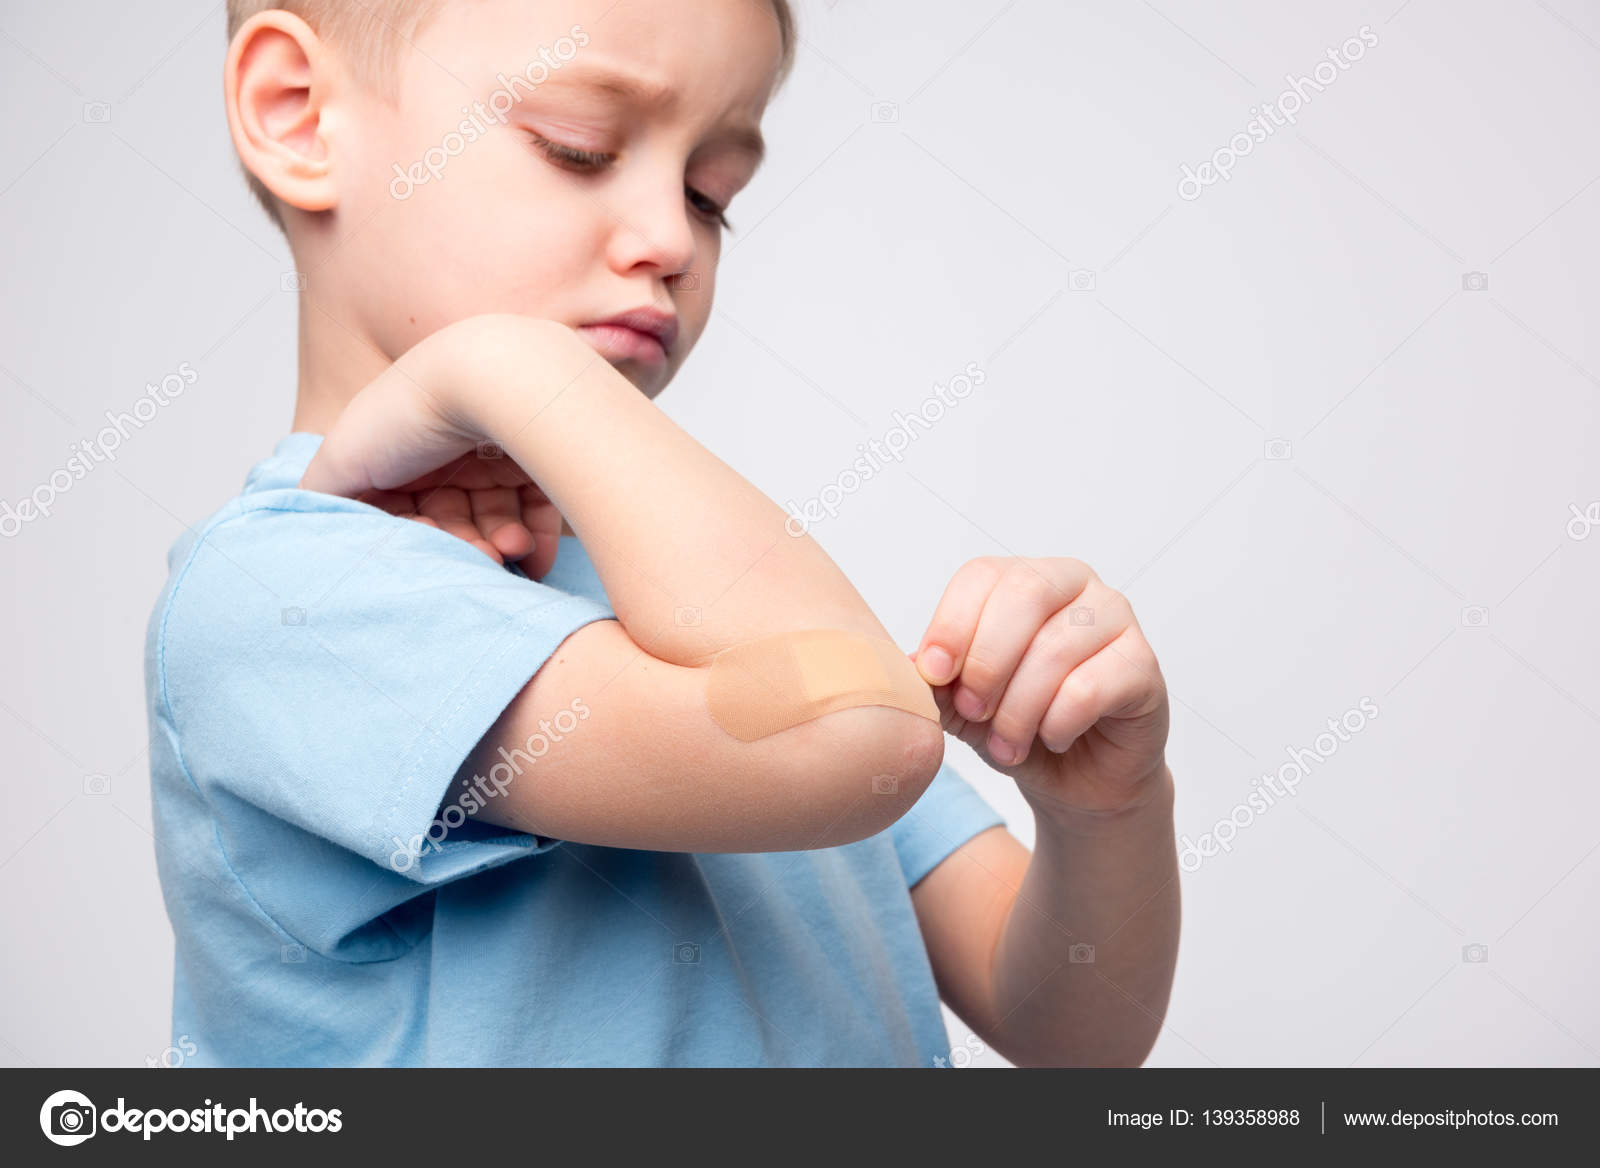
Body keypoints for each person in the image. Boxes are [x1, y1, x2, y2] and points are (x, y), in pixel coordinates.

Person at [145, 0, 1179, 1067]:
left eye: (710, 195)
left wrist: (1109, 811)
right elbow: (863, 740)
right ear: (298, 114)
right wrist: (507, 363)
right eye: (577, 147)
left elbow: (1073, 1033)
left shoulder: (705, 599)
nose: (673, 240)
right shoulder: (283, 596)